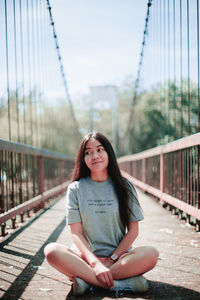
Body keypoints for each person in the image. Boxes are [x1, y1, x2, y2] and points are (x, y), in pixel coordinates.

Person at [44, 132, 159, 296]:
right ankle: (120, 284)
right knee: (51, 251)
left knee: (151, 254)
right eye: (88, 152)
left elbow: (134, 231)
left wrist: (111, 260)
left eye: (99, 150)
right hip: (84, 260)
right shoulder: (75, 189)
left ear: (108, 153)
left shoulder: (125, 186)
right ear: (83, 159)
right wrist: (94, 263)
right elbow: (76, 233)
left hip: (120, 259)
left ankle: (87, 282)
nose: (94, 156)